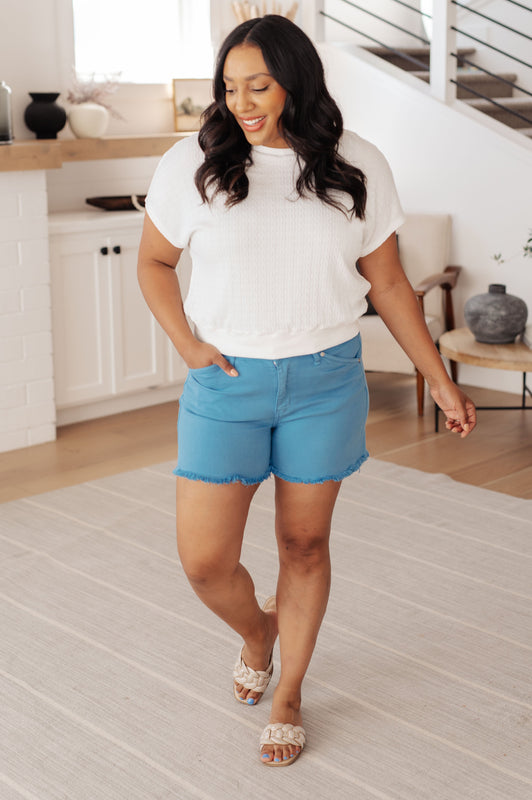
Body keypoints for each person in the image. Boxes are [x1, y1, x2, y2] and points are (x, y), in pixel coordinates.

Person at [137, 14, 476, 767]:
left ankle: (289, 691)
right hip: (226, 381)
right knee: (205, 562)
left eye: (258, 86)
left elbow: (388, 283)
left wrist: (440, 380)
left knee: (304, 544)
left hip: (325, 381)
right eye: (230, 88)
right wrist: (188, 345)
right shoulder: (192, 162)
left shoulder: (357, 163)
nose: (241, 103)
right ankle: (259, 633)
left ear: (296, 81)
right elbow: (154, 263)